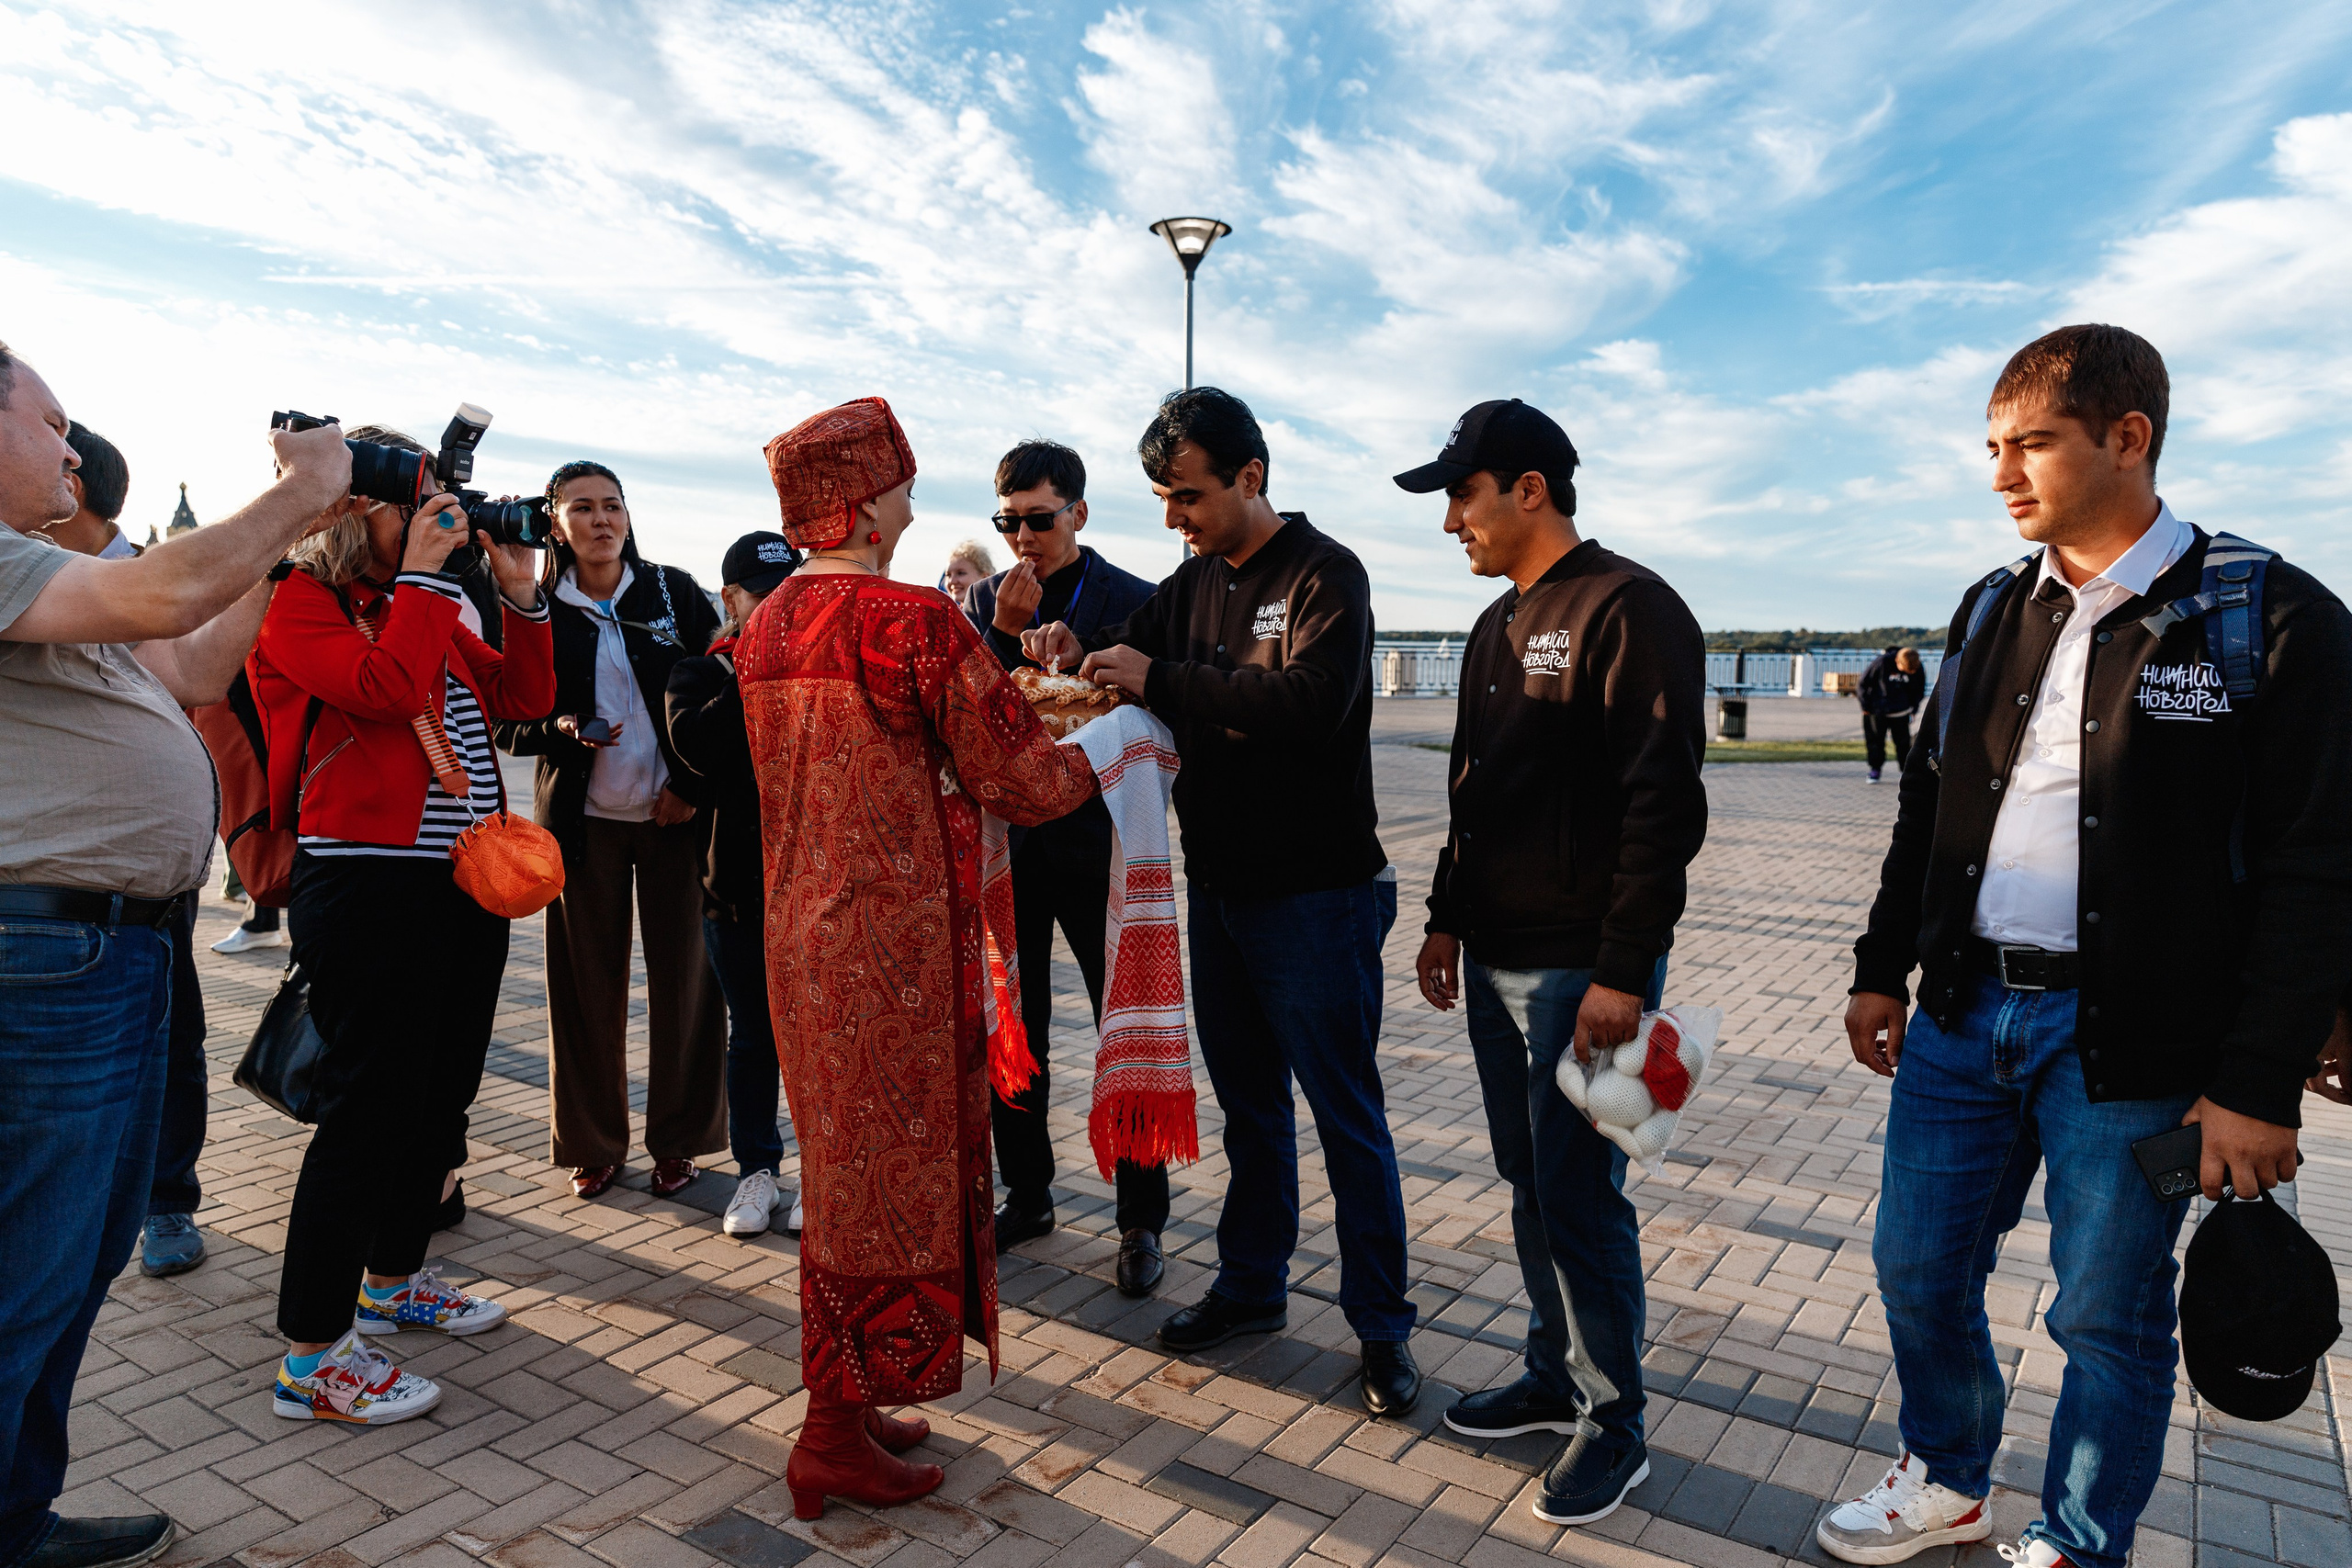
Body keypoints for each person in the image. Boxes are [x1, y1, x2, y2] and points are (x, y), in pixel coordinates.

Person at [1825, 324, 2352, 1568]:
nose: (2003, 473)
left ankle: (2078, 1534)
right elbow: (1929, 805)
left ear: (2130, 437)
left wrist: (2256, 1078)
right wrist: (1876, 962)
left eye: (2033, 444)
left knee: (2106, 1313)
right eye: (1992, 448)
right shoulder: (1993, 606)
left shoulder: (2269, 615)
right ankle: (1949, 1476)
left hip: (2137, 1049)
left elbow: (2317, 865)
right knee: (1913, 1265)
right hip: (1962, 1013)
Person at [0, 341, 352, 1568]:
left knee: (72, 1258)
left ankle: (15, 1511)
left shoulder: (61, 570)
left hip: (116, 953)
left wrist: (294, 540)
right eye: (51, 422)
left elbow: (196, 657)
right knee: (28, 1260)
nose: (70, 445)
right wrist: (302, 488)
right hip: (42, 960)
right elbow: (163, 597)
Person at [1025, 387, 1422, 1416]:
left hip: (1321, 895)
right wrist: (1074, 651)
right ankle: (1251, 1288)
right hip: (1225, 892)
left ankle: (1383, 1331)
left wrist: (1161, 675)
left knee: (1347, 1120)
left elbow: (1306, 703)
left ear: (1251, 475)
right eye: (1161, 497)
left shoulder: (1326, 572)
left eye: (1188, 495)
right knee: (1251, 1110)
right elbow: (1128, 644)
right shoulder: (1191, 582)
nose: (1174, 519)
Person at [745, 399, 1099, 1517]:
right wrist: (1121, 751)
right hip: (891, 946)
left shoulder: (761, 627)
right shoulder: (908, 621)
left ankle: (847, 1401)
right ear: (860, 499)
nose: (909, 501)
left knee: (843, 1179)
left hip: (801, 935)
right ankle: (826, 1436)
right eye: (896, 483)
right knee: (885, 1188)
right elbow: (1023, 778)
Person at [1400, 400, 1707, 1524]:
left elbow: (1662, 805)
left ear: (1529, 489)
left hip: (1583, 970)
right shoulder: (1496, 623)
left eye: (1461, 495)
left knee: (1581, 1197)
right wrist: (1443, 915)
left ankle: (1613, 1424)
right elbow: (1474, 789)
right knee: (1530, 1181)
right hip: (1492, 956)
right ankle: (1548, 1371)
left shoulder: (1630, 609)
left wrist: (1626, 971)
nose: (1450, 522)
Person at [247, 422, 555, 1427]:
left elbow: (523, 694)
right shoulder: (300, 604)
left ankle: (391, 1282)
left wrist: (516, 593)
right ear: (351, 510)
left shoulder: (421, 600)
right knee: (367, 1113)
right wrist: (431, 585)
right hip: (367, 887)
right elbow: (382, 691)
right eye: (417, 505)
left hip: (459, 886)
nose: (443, 522)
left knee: (437, 1103)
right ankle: (311, 1357)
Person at [961, 439, 1168, 1292]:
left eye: (1039, 519)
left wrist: (1086, 658)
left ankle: (1140, 1221)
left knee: (1123, 1021)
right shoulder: (981, 598)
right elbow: (956, 701)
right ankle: (1030, 1190)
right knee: (1014, 1023)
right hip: (1010, 845)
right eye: (1007, 521)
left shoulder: (1136, 599)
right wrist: (1002, 633)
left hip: (1099, 842)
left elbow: (1157, 712)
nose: (1022, 538)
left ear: (1078, 512)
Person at [495, 462, 725, 1201]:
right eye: (583, 507)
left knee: (688, 988)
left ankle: (681, 1142)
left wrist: (690, 787)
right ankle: (593, 1144)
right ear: (553, 520)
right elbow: (504, 715)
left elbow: (725, 694)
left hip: (672, 820)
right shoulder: (533, 605)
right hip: (581, 826)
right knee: (584, 989)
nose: (603, 520)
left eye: (614, 506)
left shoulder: (673, 592)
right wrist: (557, 727)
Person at [34, 425, 220, 1282]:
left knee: (168, 1035)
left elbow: (197, 675)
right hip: (52, 905)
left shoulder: (154, 575)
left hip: (146, 890)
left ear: (79, 484)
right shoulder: (39, 571)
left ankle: (164, 1195)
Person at [665, 530, 804, 1238]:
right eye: (764, 596)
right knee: (753, 1036)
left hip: (822, 889)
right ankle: (758, 1171)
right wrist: (758, 664)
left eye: (792, 593)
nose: (780, 608)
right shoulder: (701, 674)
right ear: (731, 597)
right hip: (736, 893)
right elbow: (699, 756)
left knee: (821, 1036)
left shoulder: (828, 672)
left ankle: (829, 1174)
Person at [1857, 644, 1925, 783]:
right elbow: (1863, 684)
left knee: (1903, 744)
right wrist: (1866, 706)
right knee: (1875, 742)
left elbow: (1919, 690)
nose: (1909, 673)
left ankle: (1905, 772)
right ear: (1897, 662)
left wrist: (1914, 709)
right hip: (1877, 711)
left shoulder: (1916, 665)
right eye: (1906, 670)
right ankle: (1875, 769)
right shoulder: (1881, 663)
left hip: (1901, 713)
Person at [939, 538, 993, 606]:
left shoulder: (999, 610)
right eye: (948, 575)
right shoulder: (950, 614)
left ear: (985, 578)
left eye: (960, 573)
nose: (952, 581)